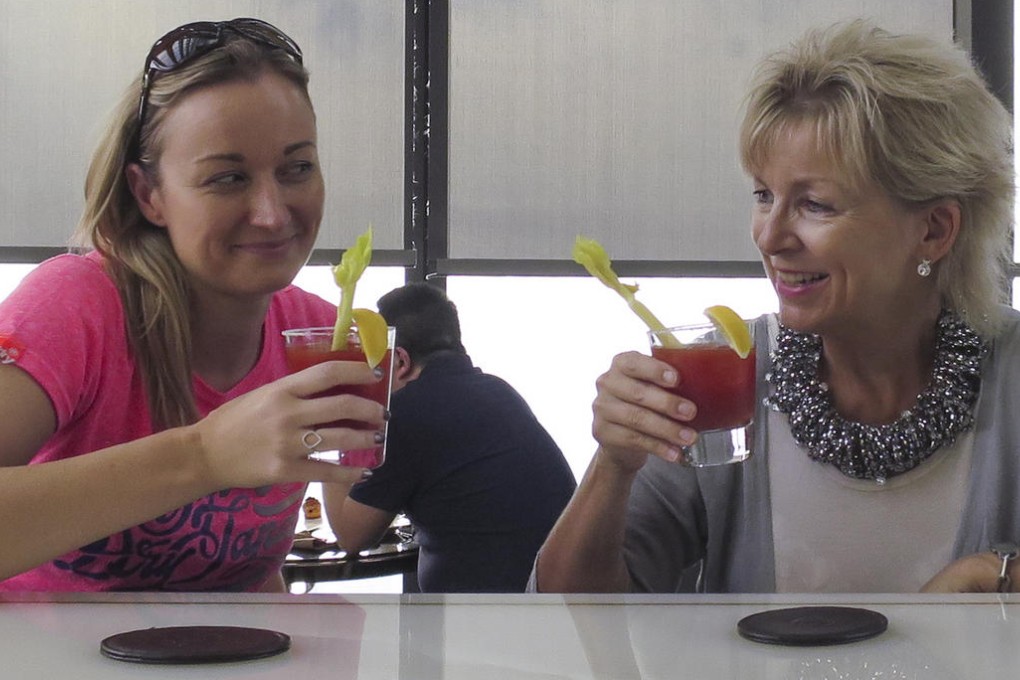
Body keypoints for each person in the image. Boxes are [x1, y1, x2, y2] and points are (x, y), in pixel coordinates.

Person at [534, 19, 1019, 594]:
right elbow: (566, 614)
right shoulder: (719, 375)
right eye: (763, 195)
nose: (769, 236)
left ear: (934, 231)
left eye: (815, 204)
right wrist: (614, 464)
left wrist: (1001, 574)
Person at [0, 18, 385, 591]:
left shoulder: (317, 334)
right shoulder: (75, 306)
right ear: (148, 194)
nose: (273, 213)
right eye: (227, 178)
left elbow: (252, 579)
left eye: (296, 168)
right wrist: (203, 456)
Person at [324, 283, 577, 592]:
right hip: (552, 598)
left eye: (373, 360)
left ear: (400, 361)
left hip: (492, 615)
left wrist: (333, 424)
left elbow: (351, 536)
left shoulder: (407, 412)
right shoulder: (498, 390)